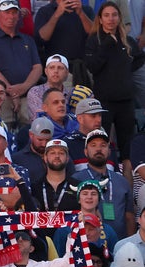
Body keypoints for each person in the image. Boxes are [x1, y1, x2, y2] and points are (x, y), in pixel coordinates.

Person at [85, 1, 144, 168]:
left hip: (125, 101)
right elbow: (92, 66)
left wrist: (124, 71)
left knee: (127, 152)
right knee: (101, 144)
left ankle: (128, 189)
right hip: (104, 102)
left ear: (119, 18)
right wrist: (106, 46)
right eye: (107, 15)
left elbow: (139, 58)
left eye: (114, 15)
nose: (111, 19)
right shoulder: (94, 41)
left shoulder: (127, 40)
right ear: (101, 19)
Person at [0, 0, 42, 125]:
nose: (11, 16)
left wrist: (24, 87)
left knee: (31, 130)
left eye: (14, 13)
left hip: (27, 96)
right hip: (1, 98)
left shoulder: (28, 40)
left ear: (18, 16)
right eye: (7, 12)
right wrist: (12, 92)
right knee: (2, 130)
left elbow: (38, 67)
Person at [72, 128, 135, 239]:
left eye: (103, 145)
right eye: (93, 145)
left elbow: (129, 217)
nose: (98, 149)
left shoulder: (122, 181)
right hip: (87, 245)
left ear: (109, 151)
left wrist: (129, 242)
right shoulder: (75, 180)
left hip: (119, 245)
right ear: (85, 151)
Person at [34, 0, 94, 86]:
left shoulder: (87, 10)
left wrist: (81, 13)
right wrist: (56, 15)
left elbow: (94, 35)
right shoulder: (45, 11)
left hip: (82, 69)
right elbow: (42, 37)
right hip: (58, 70)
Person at [65, 98, 118, 171]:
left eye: (100, 115)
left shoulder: (108, 145)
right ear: (80, 118)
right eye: (93, 116)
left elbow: (116, 176)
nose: (98, 120)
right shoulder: (68, 144)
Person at [31, 139, 80, 213]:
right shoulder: (34, 188)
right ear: (45, 158)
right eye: (52, 153)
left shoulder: (78, 187)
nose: (57, 156)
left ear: (67, 158)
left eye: (61, 153)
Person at [26, 54, 72, 120]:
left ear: (67, 73)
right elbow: (40, 119)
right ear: (46, 71)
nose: (56, 71)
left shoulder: (71, 94)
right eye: (52, 67)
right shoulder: (35, 92)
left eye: (60, 68)